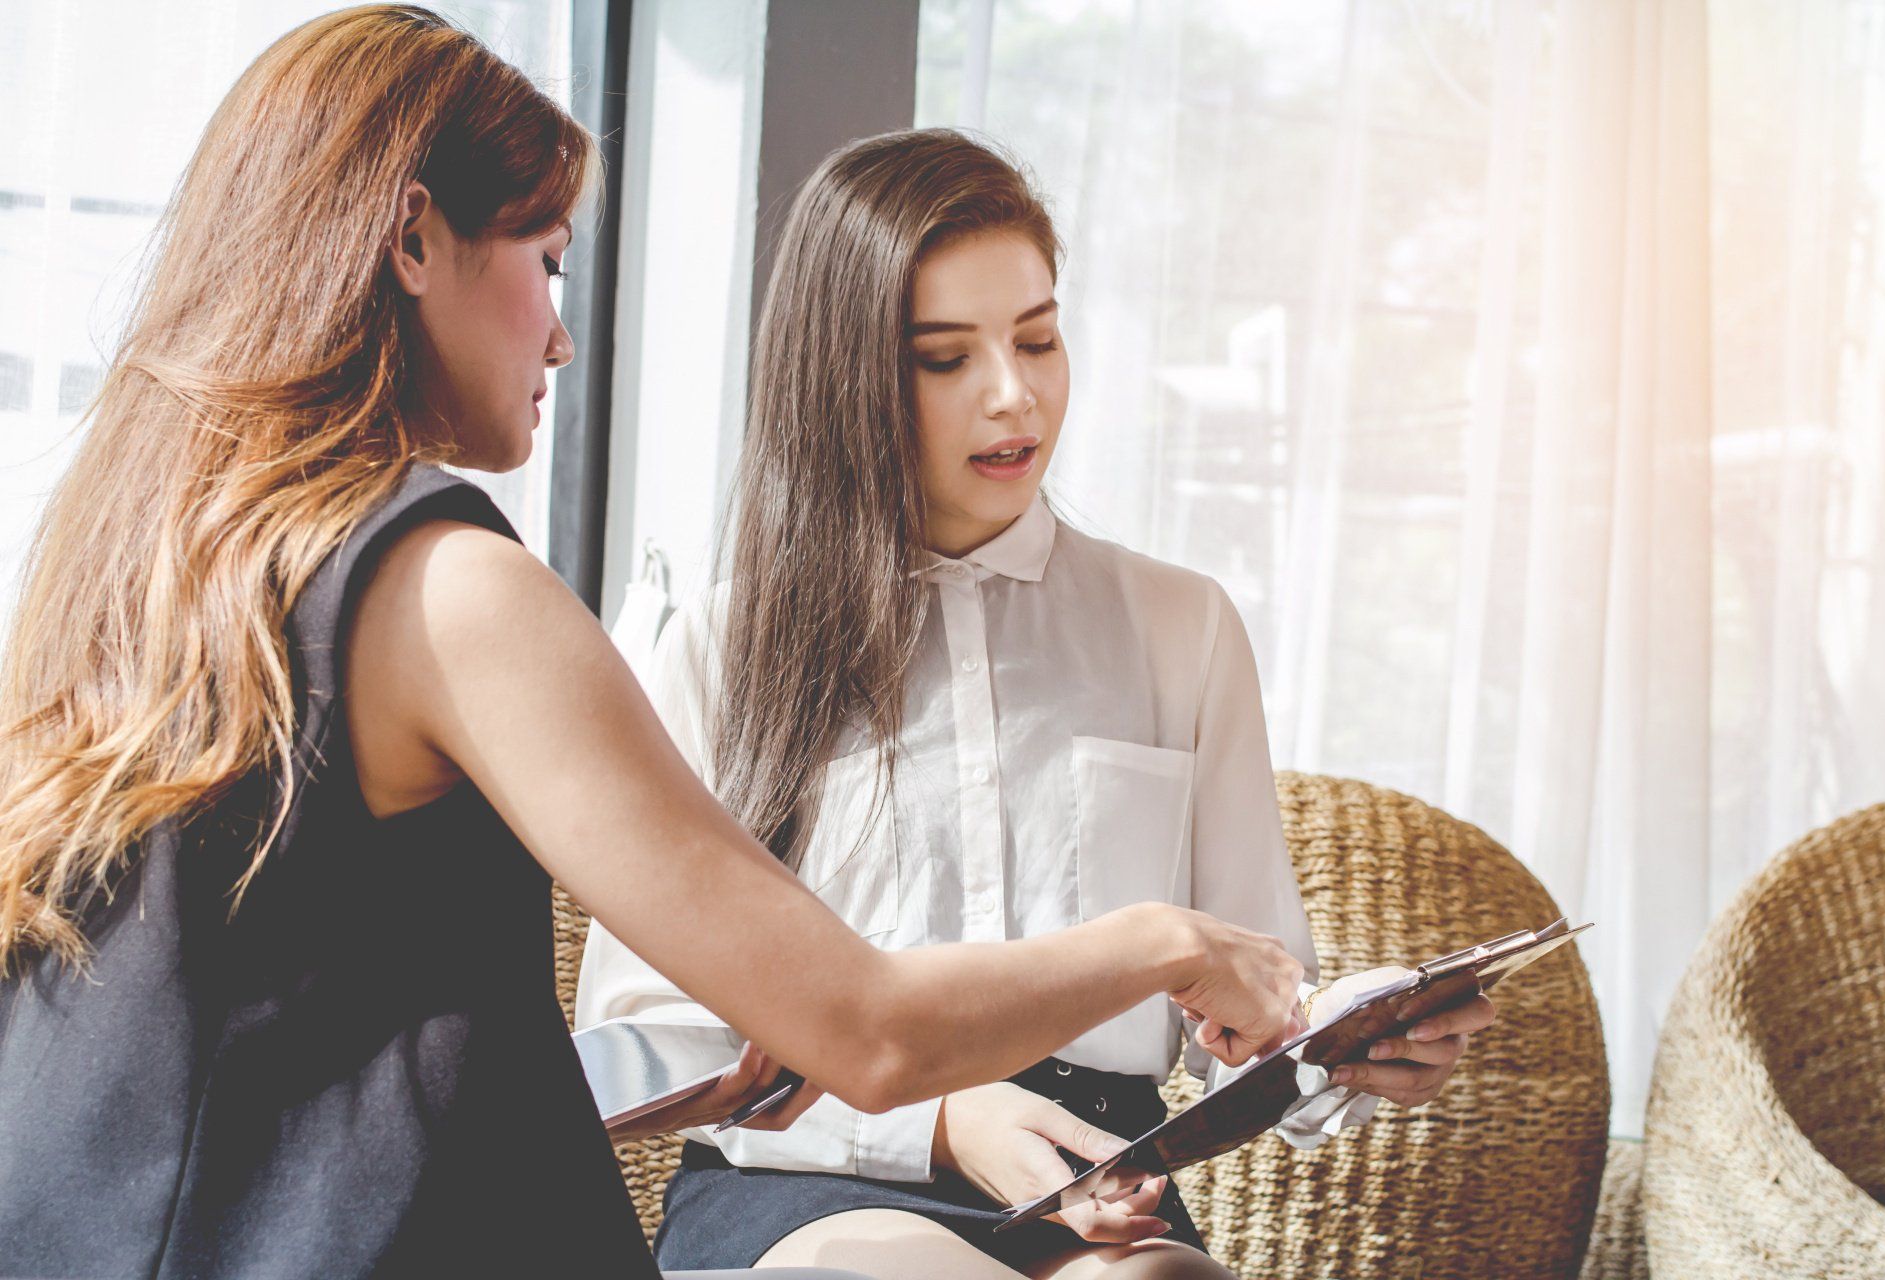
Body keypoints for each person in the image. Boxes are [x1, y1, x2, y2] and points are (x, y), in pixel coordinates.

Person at [0, 13, 1314, 1280]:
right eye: (549, 259)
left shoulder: (130, 567)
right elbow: (864, 1026)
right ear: (412, 237)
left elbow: (270, 1046)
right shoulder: (451, 589)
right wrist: (1164, 941)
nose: (562, 332)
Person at [576, 130, 1498, 1280]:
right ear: (846, 375)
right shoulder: (722, 647)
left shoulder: (1182, 626)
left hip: (1103, 1182)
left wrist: (1337, 1044)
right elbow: (646, 1039)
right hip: (807, 1187)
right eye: (945, 357)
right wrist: (943, 1120)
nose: (1014, 395)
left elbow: (1250, 1006)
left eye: (1039, 337)